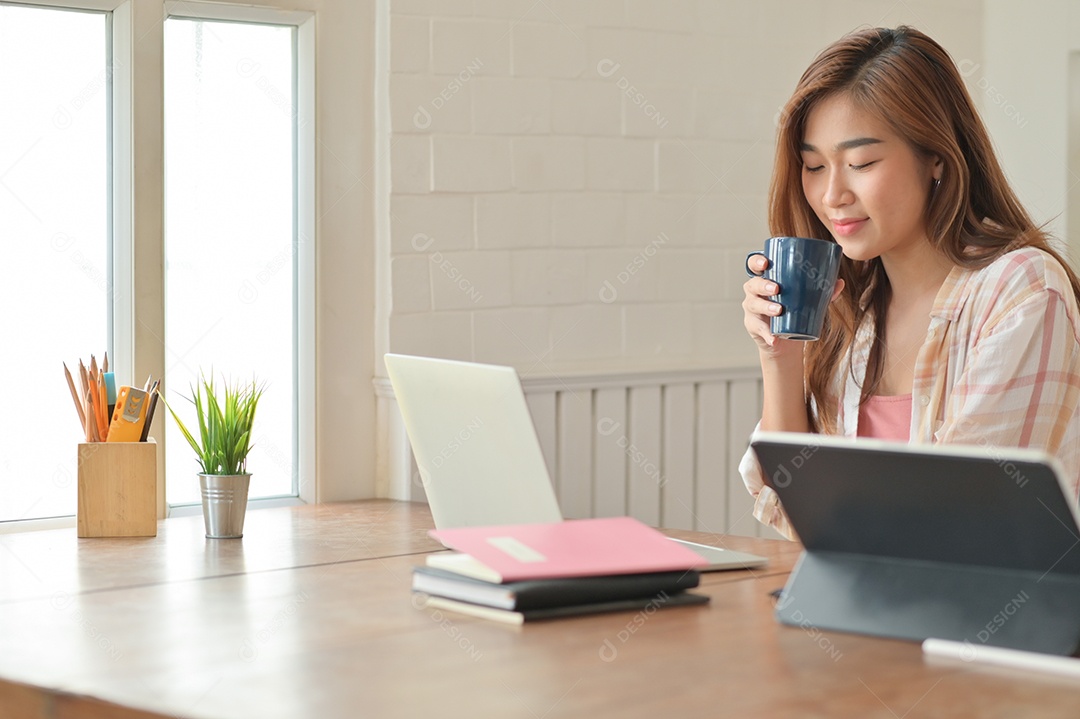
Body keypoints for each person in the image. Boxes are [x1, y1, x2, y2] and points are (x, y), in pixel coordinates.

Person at [740, 25, 1080, 540]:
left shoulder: (1023, 290)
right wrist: (781, 357)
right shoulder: (852, 307)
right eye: (813, 166)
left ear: (936, 157)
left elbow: (961, 519)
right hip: (873, 603)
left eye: (861, 163)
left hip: (990, 613)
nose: (832, 194)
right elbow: (793, 510)